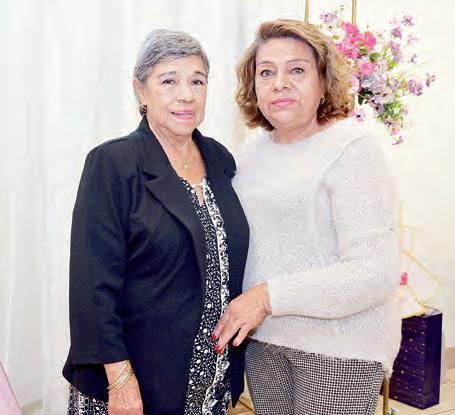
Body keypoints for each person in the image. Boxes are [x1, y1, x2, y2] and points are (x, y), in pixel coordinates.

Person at [212, 19, 401, 415]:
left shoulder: (351, 148)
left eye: (297, 70)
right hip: (265, 342)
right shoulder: (251, 153)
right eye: (266, 72)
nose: (280, 83)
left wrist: (267, 296)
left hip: (339, 348)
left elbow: (374, 271)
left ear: (323, 82)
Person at [62, 29, 249, 415]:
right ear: (140, 91)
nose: (186, 95)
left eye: (197, 81)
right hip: (134, 382)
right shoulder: (113, 164)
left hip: (209, 381)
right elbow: (91, 285)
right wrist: (120, 379)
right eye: (168, 81)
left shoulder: (220, 159)